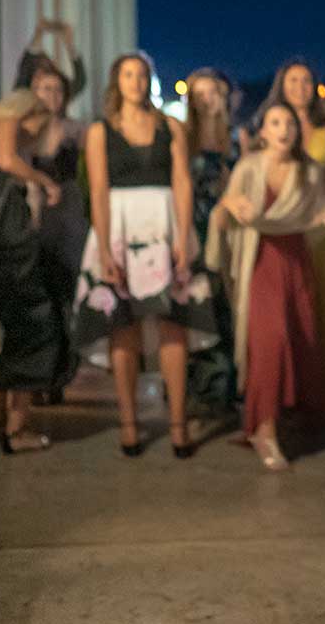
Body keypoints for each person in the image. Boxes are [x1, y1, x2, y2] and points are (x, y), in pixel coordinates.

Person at [74, 53, 219, 459]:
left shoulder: (170, 126)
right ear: (115, 82)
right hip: (119, 227)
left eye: (141, 75)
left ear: (149, 82)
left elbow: (183, 183)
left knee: (174, 325)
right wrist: (104, 246)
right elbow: (98, 190)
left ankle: (177, 423)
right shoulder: (101, 131)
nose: (135, 82)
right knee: (124, 327)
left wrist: (183, 237)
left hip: (165, 224)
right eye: (127, 74)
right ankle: (129, 422)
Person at [207, 100, 325, 470]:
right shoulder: (248, 167)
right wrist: (229, 204)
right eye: (275, 123)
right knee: (271, 340)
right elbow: (220, 216)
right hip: (259, 261)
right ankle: (263, 430)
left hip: (296, 260)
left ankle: (277, 419)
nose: (283, 130)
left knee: (302, 339)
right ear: (262, 131)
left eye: (289, 124)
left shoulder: (307, 171)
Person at [0, 89, 67, 454]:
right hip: (5, 251)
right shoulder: (7, 129)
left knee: (18, 329)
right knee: (35, 325)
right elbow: (7, 159)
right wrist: (44, 181)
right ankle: (17, 429)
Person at [261, 60, 325, 403]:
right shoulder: (270, 128)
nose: (300, 87)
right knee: (286, 310)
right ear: (282, 85)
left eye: (306, 81)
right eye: (293, 80)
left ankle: (320, 395)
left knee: (321, 306)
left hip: (318, 230)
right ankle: (285, 394)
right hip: (282, 230)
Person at [24, 53, 89, 405]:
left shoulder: (75, 129)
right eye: (43, 88)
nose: (50, 95)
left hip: (67, 217)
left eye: (56, 89)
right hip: (33, 219)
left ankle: (60, 374)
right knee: (38, 299)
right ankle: (37, 373)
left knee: (65, 297)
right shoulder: (24, 130)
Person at [183, 68, 242, 414]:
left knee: (225, 307)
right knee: (195, 306)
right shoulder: (183, 137)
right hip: (193, 228)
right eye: (200, 94)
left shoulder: (234, 138)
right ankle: (197, 387)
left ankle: (224, 387)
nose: (207, 100)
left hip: (223, 232)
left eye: (213, 93)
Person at [15, 17, 87, 105]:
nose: (52, 94)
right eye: (47, 88)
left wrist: (70, 43)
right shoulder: (24, 95)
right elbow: (25, 68)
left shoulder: (60, 93)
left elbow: (80, 81)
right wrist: (38, 35)